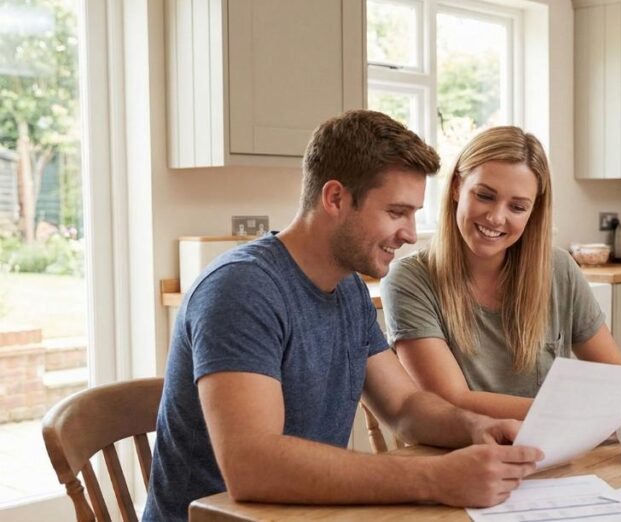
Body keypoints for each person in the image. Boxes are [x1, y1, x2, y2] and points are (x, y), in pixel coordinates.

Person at [143, 111, 543, 522]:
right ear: (335, 198)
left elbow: (405, 406)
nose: (408, 233)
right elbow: (252, 465)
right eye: (396, 212)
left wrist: (474, 427)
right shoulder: (242, 289)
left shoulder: (348, 288)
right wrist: (434, 477)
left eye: (413, 214)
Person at [380, 126, 621, 421]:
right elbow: (451, 400)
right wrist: (576, 412)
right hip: (462, 456)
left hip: (555, 449)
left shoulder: (558, 269)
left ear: (534, 211)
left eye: (517, 207)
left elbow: (614, 371)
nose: (496, 217)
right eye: (484, 196)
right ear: (456, 186)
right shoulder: (409, 280)